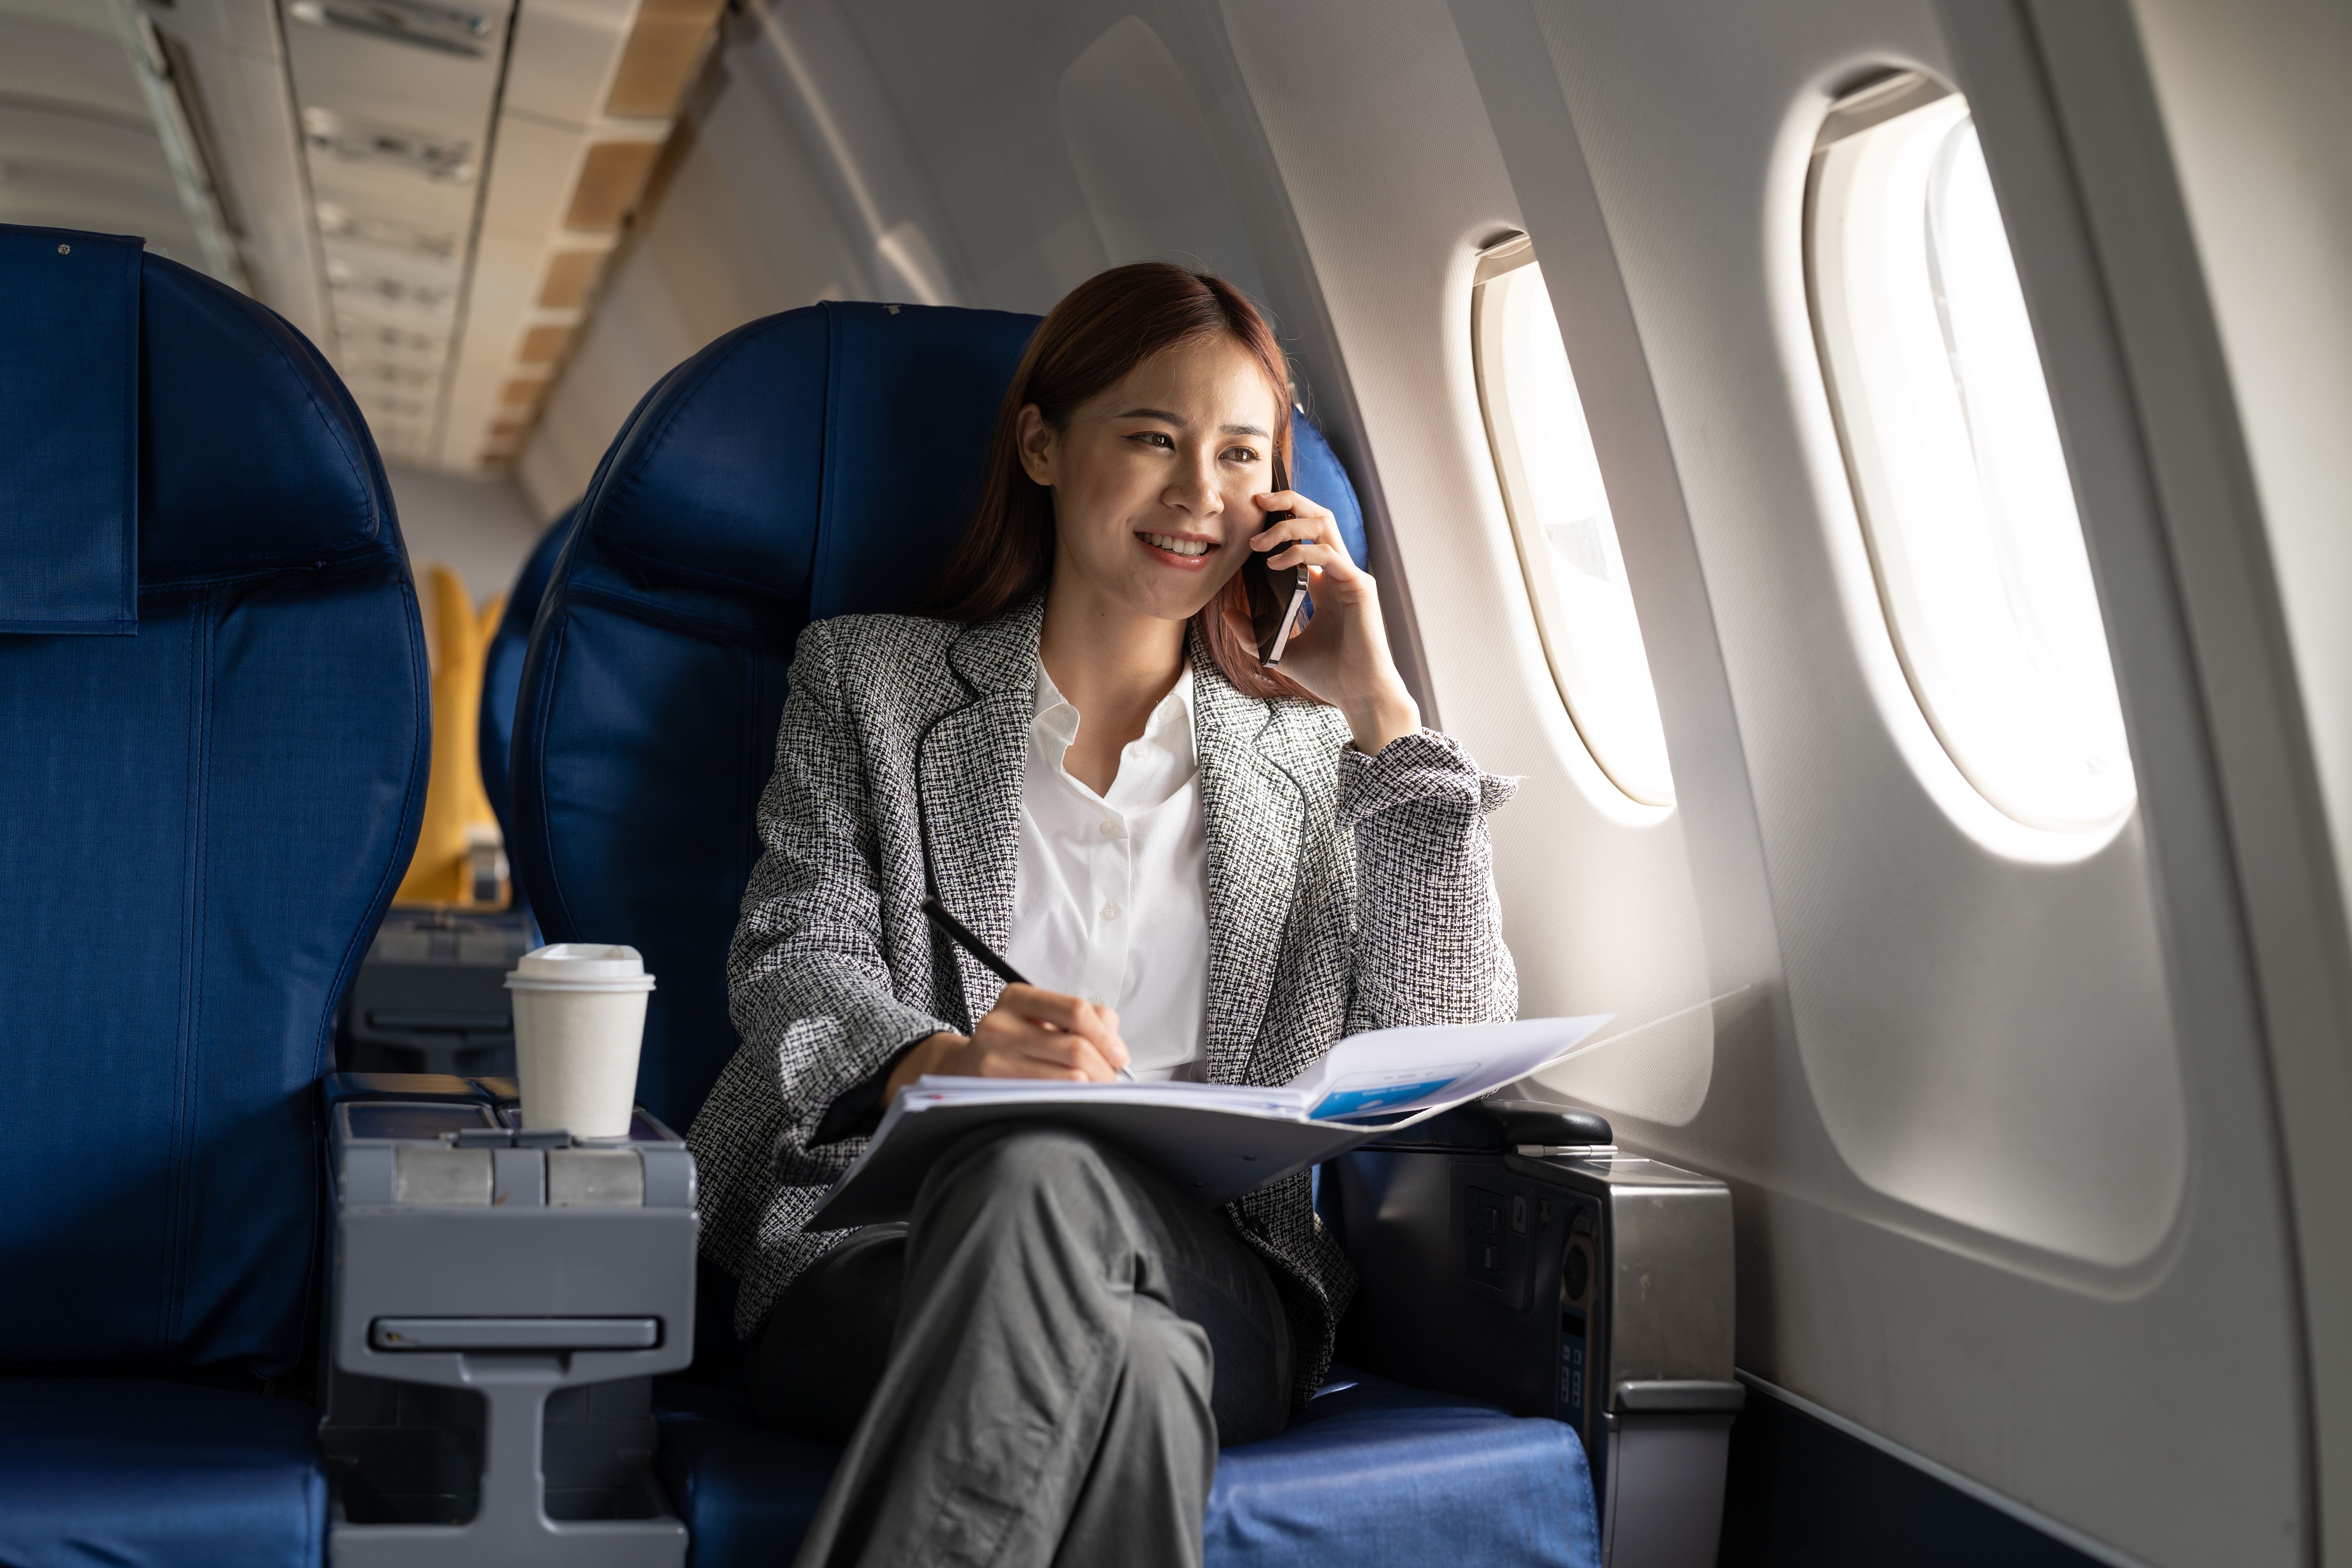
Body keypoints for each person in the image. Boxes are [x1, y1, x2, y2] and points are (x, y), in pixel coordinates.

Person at [686, 261, 1518, 1568]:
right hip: (880, 1252)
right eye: (1152, 439)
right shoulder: (871, 680)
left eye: (1242, 457)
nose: (1200, 495)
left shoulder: (1309, 759)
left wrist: (1385, 718)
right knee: (1122, 1353)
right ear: (1041, 443)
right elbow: (794, 952)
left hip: (1218, 1271)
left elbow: (1443, 1033)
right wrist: (940, 1060)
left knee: (1068, 1207)